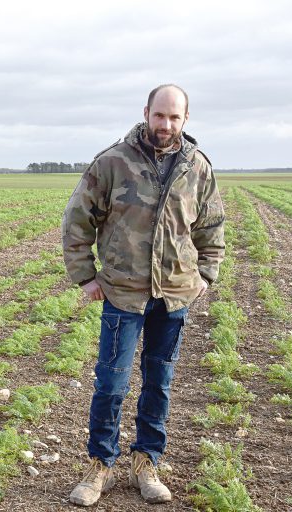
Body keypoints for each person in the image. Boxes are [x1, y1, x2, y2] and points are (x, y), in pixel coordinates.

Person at [62, 84, 225, 506]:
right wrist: (86, 277)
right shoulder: (113, 162)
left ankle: (146, 463)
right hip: (123, 295)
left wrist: (205, 273)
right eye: (159, 115)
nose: (166, 124)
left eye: (174, 117)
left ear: (185, 119)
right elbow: (77, 221)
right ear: (146, 113)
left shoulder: (198, 167)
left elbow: (211, 227)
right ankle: (101, 467)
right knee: (111, 383)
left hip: (173, 296)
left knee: (160, 383)